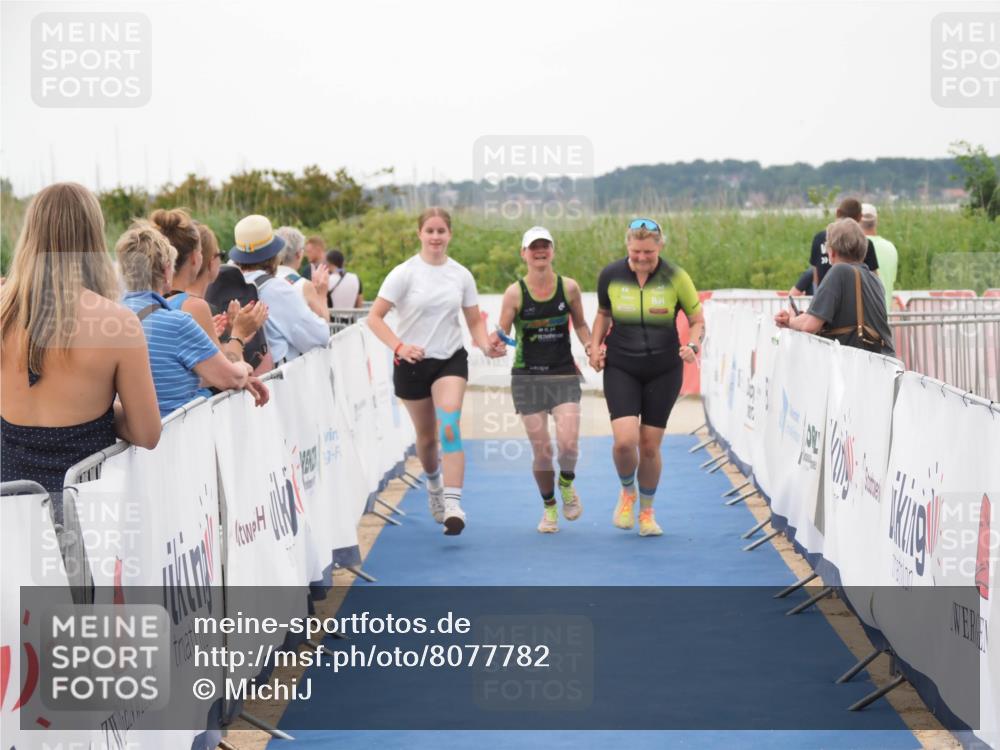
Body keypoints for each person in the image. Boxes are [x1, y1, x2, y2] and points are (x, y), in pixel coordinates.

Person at [1, 183, 161, 493]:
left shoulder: (4, 311)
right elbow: (147, 433)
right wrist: (97, 412)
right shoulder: (118, 323)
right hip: (85, 511)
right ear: (92, 236)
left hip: (9, 513)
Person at [367, 207, 505, 535]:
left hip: (449, 359)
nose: (435, 237)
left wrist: (486, 344)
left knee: (449, 426)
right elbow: (374, 317)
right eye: (429, 231)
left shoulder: (461, 275)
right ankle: (434, 487)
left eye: (441, 231)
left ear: (450, 234)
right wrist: (400, 347)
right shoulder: (403, 274)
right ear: (419, 234)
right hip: (412, 364)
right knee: (427, 439)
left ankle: (454, 504)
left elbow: (473, 320)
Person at [589, 218, 703, 537]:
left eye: (649, 253)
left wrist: (693, 344)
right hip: (621, 365)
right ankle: (627, 492)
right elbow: (602, 314)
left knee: (649, 447)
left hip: (664, 369)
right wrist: (595, 347)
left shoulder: (676, 277)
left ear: (660, 247)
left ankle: (647, 512)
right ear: (627, 246)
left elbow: (697, 320)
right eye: (637, 251)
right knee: (625, 442)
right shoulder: (611, 275)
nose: (642, 258)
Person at [489, 226, 592, 533]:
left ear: (553, 251)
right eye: (533, 247)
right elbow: (502, 334)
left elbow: (582, 325)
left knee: (569, 444)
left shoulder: (569, 288)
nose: (539, 251)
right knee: (543, 451)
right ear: (524, 254)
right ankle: (549, 508)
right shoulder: (515, 293)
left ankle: (567, 485)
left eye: (545, 245)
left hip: (563, 374)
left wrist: (590, 345)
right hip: (528, 378)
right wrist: (494, 344)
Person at [116, 219, 268, 416]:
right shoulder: (178, 322)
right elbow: (228, 378)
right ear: (165, 270)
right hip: (182, 433)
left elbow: (171, 375)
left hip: (131, 435)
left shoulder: (111, 320)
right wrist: (242, 363)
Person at [154, 209, 268, 368]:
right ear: (198, 259)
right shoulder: (195, 306)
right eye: (219, 254)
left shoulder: (157, 301)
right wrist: (238, 333)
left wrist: (227, 334)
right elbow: (229, 374)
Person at [776, 217, 895, 355]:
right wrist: (794, 320)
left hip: (858, 365)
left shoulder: (839, 272)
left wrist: (789, 322)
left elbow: (810, 325)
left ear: (832, 252)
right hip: (883, 362)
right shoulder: (874, 279)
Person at [229, 215, 329, 364]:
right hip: (275, 382)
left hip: (239, 377)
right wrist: (321, 296)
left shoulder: (230, 283)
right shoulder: (277, 289)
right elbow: (319, 336)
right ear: (274, 254)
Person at [810, 198, 879, 290]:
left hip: (825, 296)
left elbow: (816, 277)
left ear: (838, 212)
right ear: (859, 217)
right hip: (854, 299)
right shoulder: (864, 243)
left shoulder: (819, 238)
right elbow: (874, 279)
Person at [275, 226, 330, 319]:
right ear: (299, 254)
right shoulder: (303, 285)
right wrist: (322, 295)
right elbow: (323, 324)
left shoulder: (263, 279)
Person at [861, 203, 898, 311]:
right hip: (885, 313)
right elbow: (891, 280)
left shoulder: (856, 247)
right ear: (876, 221)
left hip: (865, 317)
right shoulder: (890, 247)